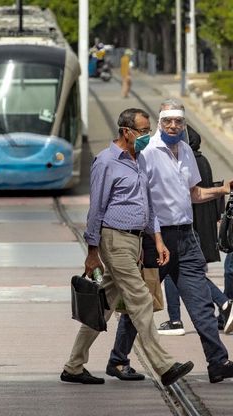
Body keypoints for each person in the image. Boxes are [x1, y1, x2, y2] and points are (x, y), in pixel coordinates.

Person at [60, 108, 193, 386]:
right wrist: (92, 251)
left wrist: (156, 240)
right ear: (125, 131)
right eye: (143, 131)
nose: (147, 136)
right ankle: (164, 365)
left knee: (104, 306)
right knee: (141, 299)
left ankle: (73, 366)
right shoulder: (106, 161)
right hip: (114, 238)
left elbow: (148, 205)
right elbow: (96, 209)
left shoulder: (140, 160)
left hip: (134, 241)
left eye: (147, 131)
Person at [106, 99, 233, 384]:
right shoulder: (147, 153)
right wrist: (154, 238)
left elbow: (194, 194)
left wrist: (223, 189)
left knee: (200, 302)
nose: (173, 126)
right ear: (160, 123)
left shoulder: (186, 150)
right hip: (155, 240)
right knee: (142, 303)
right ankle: (118, 360)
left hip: (187, 238)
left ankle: (218, 362)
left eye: (178, 121)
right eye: (167, 121)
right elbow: (143, 200)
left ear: (184, 124)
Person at [158, 124, 233, 336]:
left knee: (182, 273)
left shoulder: (189, 161)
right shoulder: (201, 160)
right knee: (183, 273)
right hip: (195, 228)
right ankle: (220, 307)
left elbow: (192, 196)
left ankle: (177, 320)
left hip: (188, 230)